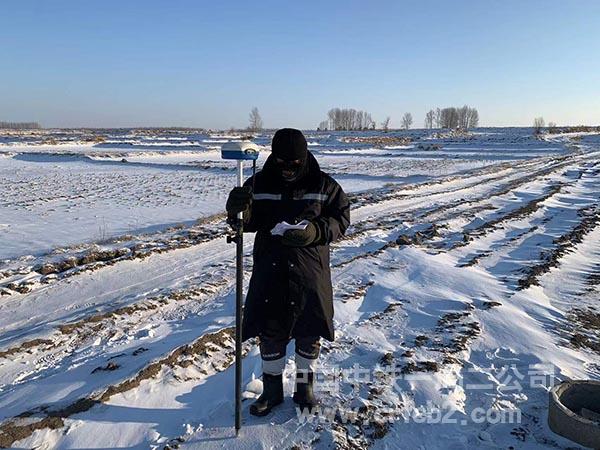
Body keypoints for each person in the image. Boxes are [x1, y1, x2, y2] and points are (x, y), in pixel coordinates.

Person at [225, 128, 350, 416]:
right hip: (271, 270)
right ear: (274, 158)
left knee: (309, 331)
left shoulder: (324, 185)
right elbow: (246, 223)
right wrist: (236, 213)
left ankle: (304, 390)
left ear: (304, 158)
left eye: (294, 164)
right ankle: (271, 392)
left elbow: (342, 218)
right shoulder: (258, 182)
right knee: (271, 332)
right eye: (282, 163)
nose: (288, 170)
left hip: (311, 272)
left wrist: (316, 231)